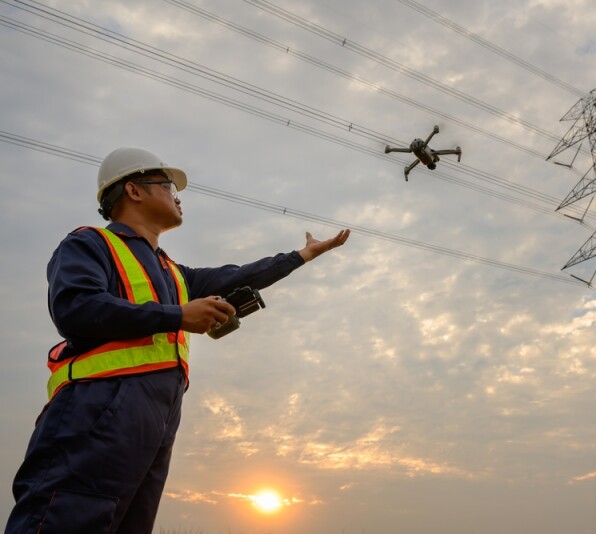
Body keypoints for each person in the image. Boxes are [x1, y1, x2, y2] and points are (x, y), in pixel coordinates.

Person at [5, 147, 350, 534]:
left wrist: (301, 255)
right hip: (96, 408)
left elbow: (236, 276)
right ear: (134, 191)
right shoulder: (89, 244)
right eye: (168, 185)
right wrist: (177, 316)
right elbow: (76, 308)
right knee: (63, 517)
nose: (177, 194)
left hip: (157, 419)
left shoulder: (172, 272)